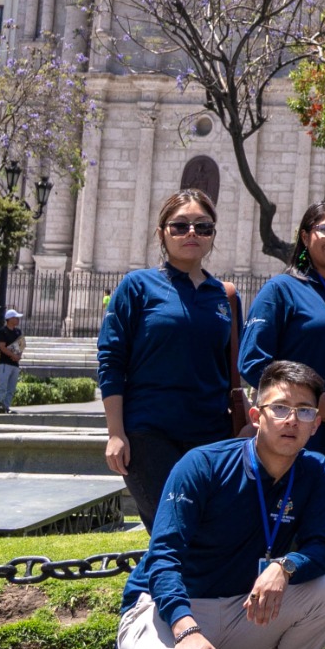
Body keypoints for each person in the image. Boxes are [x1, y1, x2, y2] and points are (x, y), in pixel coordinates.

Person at [114, 359, 325, 649]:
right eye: (279, 408)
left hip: (242, 606)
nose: (291, 420)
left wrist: (285, 567)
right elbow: (165, 556)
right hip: (166, 608)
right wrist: (185, 629)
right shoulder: (204, 464)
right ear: (257, 415)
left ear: (316, 422)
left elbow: (322, 547)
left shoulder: (315, 469)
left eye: (304, 411)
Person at [98, 191, 245, 528]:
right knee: (171, 530)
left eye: (202, 226)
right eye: (180, 226)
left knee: (208, 529)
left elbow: (231, 368)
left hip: (211, 435)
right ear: (162, 232)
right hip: (149, 434)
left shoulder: (225, 296)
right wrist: (116, 433)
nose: (191, 233)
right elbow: (111, 360)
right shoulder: (137, 286)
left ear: (212, 235)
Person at [240, 199, 325, 500]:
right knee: (275, 534)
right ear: (304, 236)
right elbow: (252, 360)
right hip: (287, 438)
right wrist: (309, 404)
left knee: (322, 539)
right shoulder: (280, 290)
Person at [0, 310, 25, 412]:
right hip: (5, 363)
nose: (18, 319)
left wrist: (18, 356)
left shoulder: (18, 332)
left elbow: (21, 345)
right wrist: (13, 355)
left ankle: (6, 406)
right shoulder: (3, 331)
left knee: (11, 388)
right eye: (16, 318)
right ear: (9, 319)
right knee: (2, 386)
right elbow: (2, 347)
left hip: (15, 363)